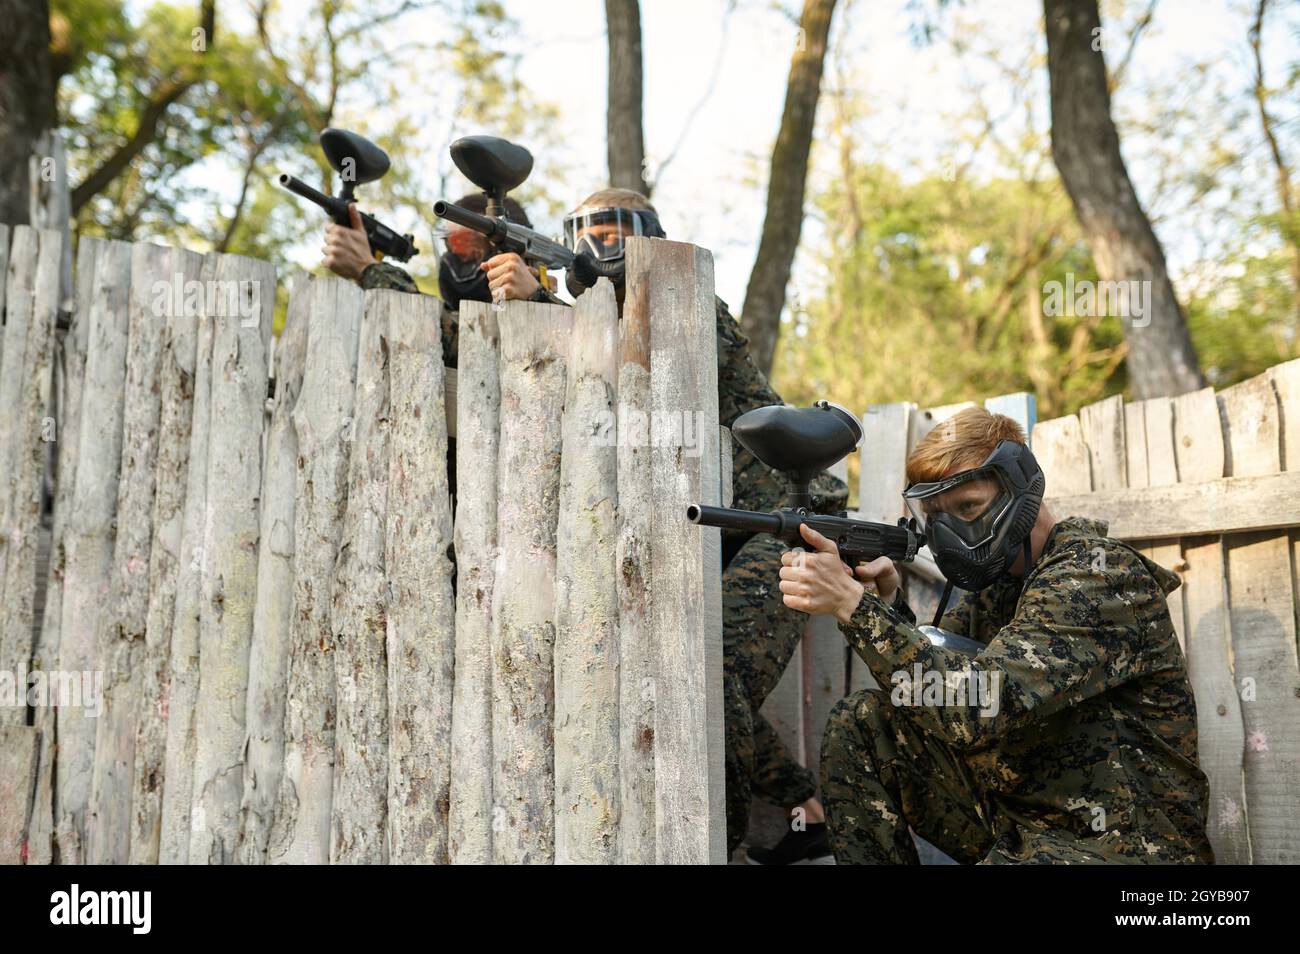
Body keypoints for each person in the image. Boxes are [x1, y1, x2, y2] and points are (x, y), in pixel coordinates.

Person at [777, 406, 1214, 864]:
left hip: (1123, 846)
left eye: (968, 507)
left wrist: (854, 608)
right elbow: (934, 692)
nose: (953, 530)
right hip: (1023, 834)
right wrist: (884, 608)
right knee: (864, 723)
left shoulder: (1097, 577)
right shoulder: (998, 588)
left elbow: (978, 705)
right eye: (937, 516)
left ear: (1021, 491)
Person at [319, 192, 560, 368]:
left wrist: (367, 269)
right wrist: (365, 271)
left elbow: (445, 338)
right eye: (449, 245)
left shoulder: (551, 321)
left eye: (466, 245)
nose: (452, 258)